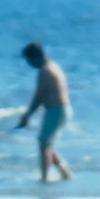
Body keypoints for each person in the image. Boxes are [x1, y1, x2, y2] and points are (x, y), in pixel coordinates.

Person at [16, 42, 72, 182]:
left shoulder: (45, 70)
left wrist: (27, 115)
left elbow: (39, 96)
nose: (29, 64)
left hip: (56, 110)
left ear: (35, 57)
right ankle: (65, 173)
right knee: (46, 143)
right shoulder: (54, 66)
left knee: (43, 143)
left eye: (29, 60)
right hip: (63, 109)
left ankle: (45, 177)